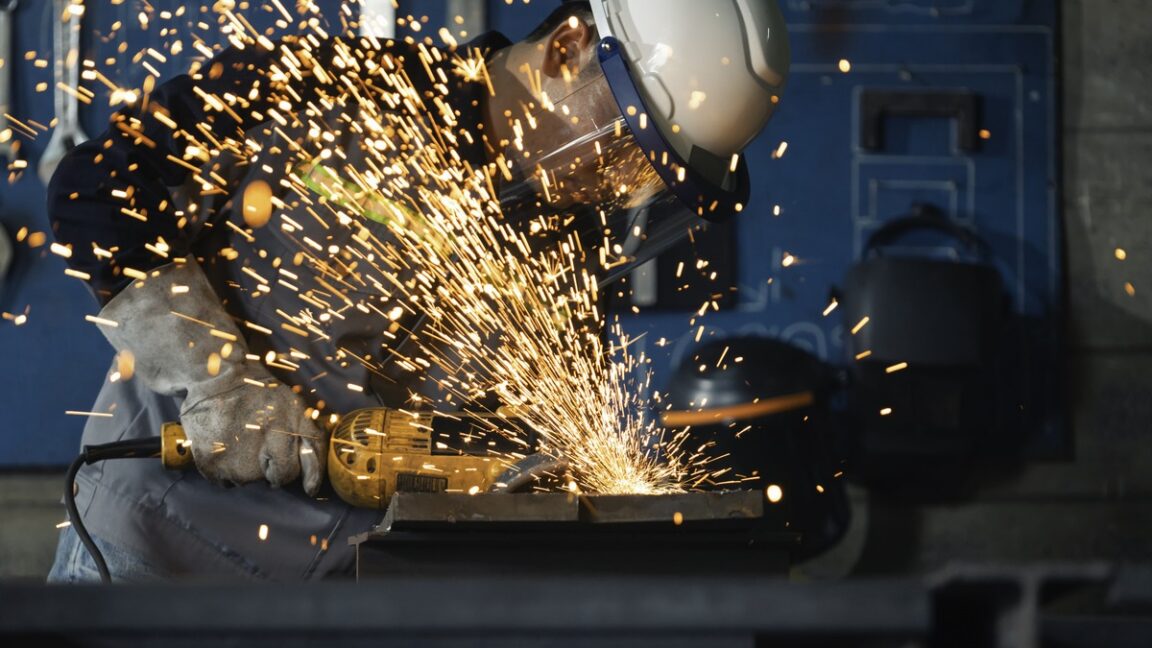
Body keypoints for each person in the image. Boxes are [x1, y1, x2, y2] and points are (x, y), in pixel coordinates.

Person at [46, 0, 790, 582]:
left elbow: (517, 450)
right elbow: (96, 190)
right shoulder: (340, 88)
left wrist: (537, 486)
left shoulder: (566, 253)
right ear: (568, 48)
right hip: (154, 556)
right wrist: (220, 380)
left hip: (347, 594)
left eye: (646, 179)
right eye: (626, 145)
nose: (620, 186)